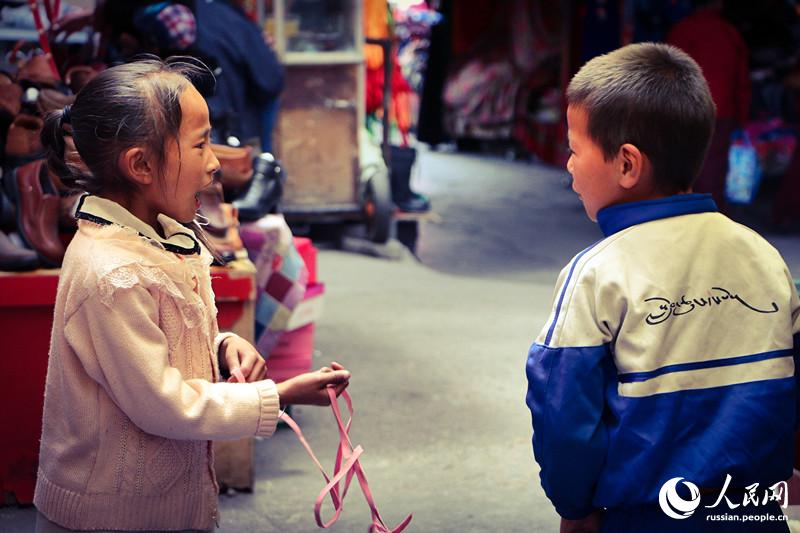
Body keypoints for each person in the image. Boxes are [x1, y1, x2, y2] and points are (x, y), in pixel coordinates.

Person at [33, 58, 351, 533]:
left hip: (157, 506)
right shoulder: (113, 274)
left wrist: (221, 346)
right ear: (140, 164)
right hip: (108, 517)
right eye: (200, 144)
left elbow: (161, 339)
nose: (215, 161)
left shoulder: (157, 238)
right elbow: (165, 403)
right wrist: (279, 396)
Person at [525, 43, 798, 533]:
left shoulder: (596, 272)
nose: (568, 165)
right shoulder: (764, 256)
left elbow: (563, 415)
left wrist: (575, 506)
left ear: (627, 165)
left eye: (574, 148)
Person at [667, 0, 750, 213]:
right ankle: (711, 215)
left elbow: (665, 74)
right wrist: (742, 118)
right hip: (720, 110)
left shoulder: (681, 30)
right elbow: (740, 80)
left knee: (682, 163)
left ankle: (681, 215)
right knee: (714, 168)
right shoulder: (729, 33)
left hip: (684, 110)